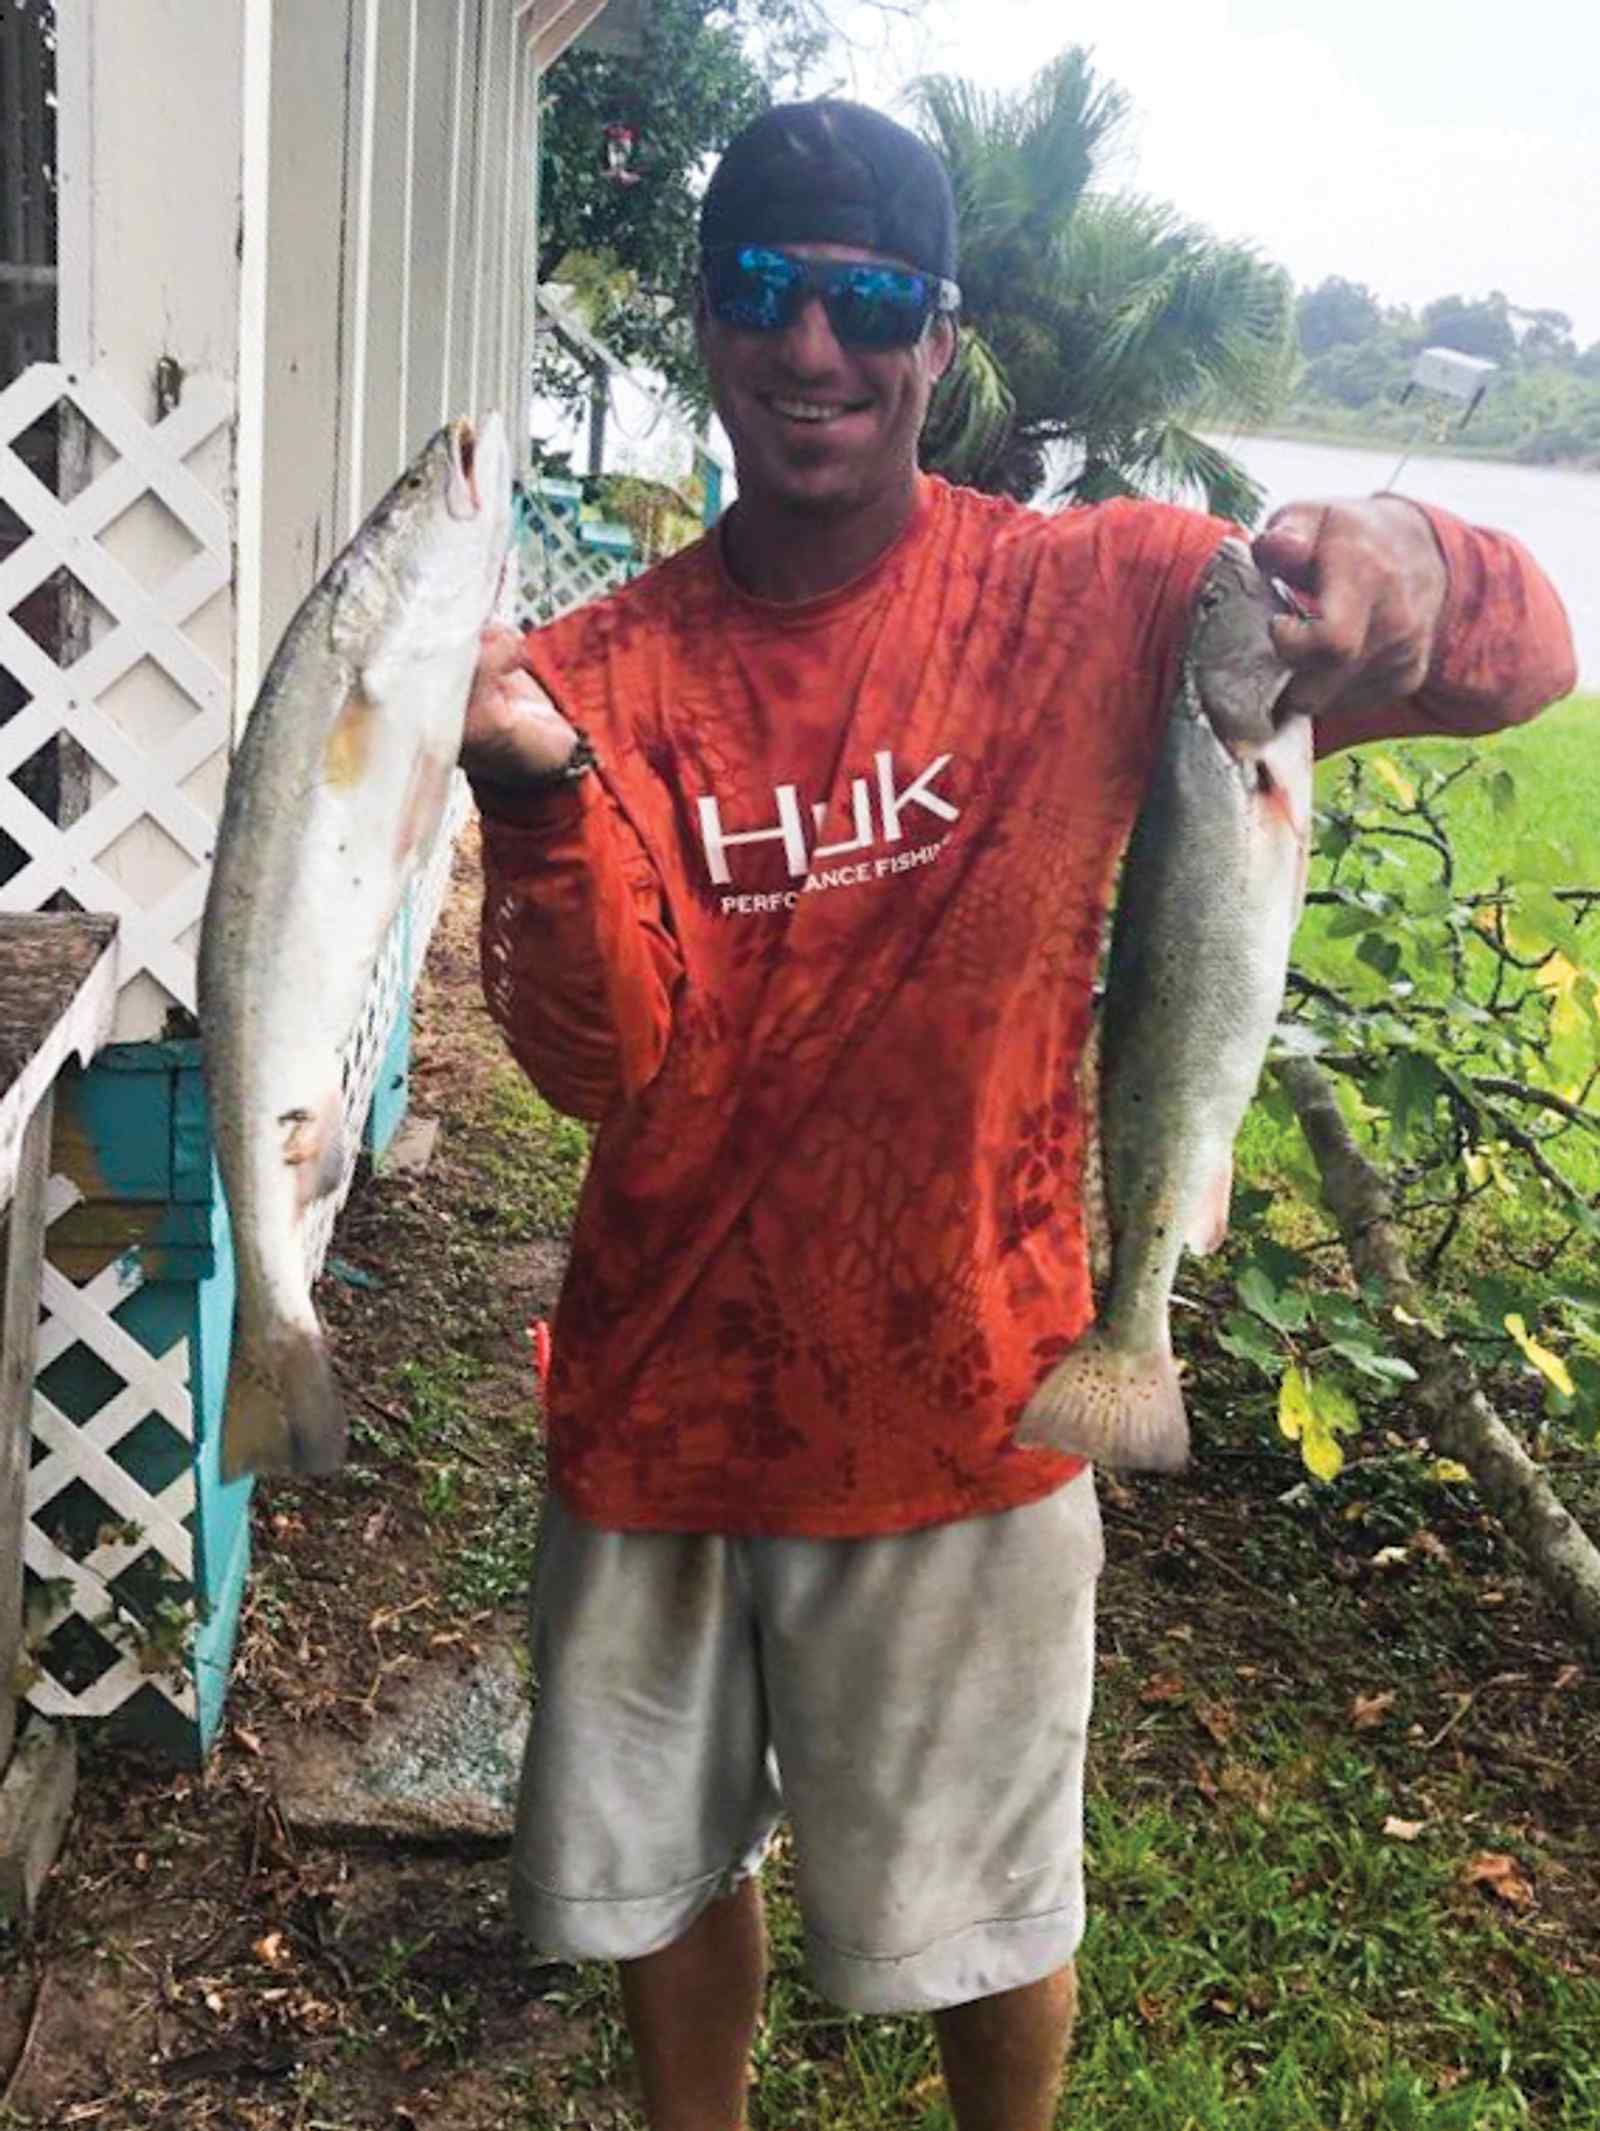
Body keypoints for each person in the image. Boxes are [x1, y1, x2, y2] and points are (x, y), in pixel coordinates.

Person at [461, 100, 1575, 2131]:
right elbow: (593, 1069)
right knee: (660, 1887)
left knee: (990, 1914)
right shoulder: (594, 672)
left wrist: (1410, 558)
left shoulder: (1112, 597)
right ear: (707, 319)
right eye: (764, 292)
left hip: (975, 1399)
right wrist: (533, 801)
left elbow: (1525, 655)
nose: (813, 346)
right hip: (658, 1409)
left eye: (869, 300)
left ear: (937, 333)